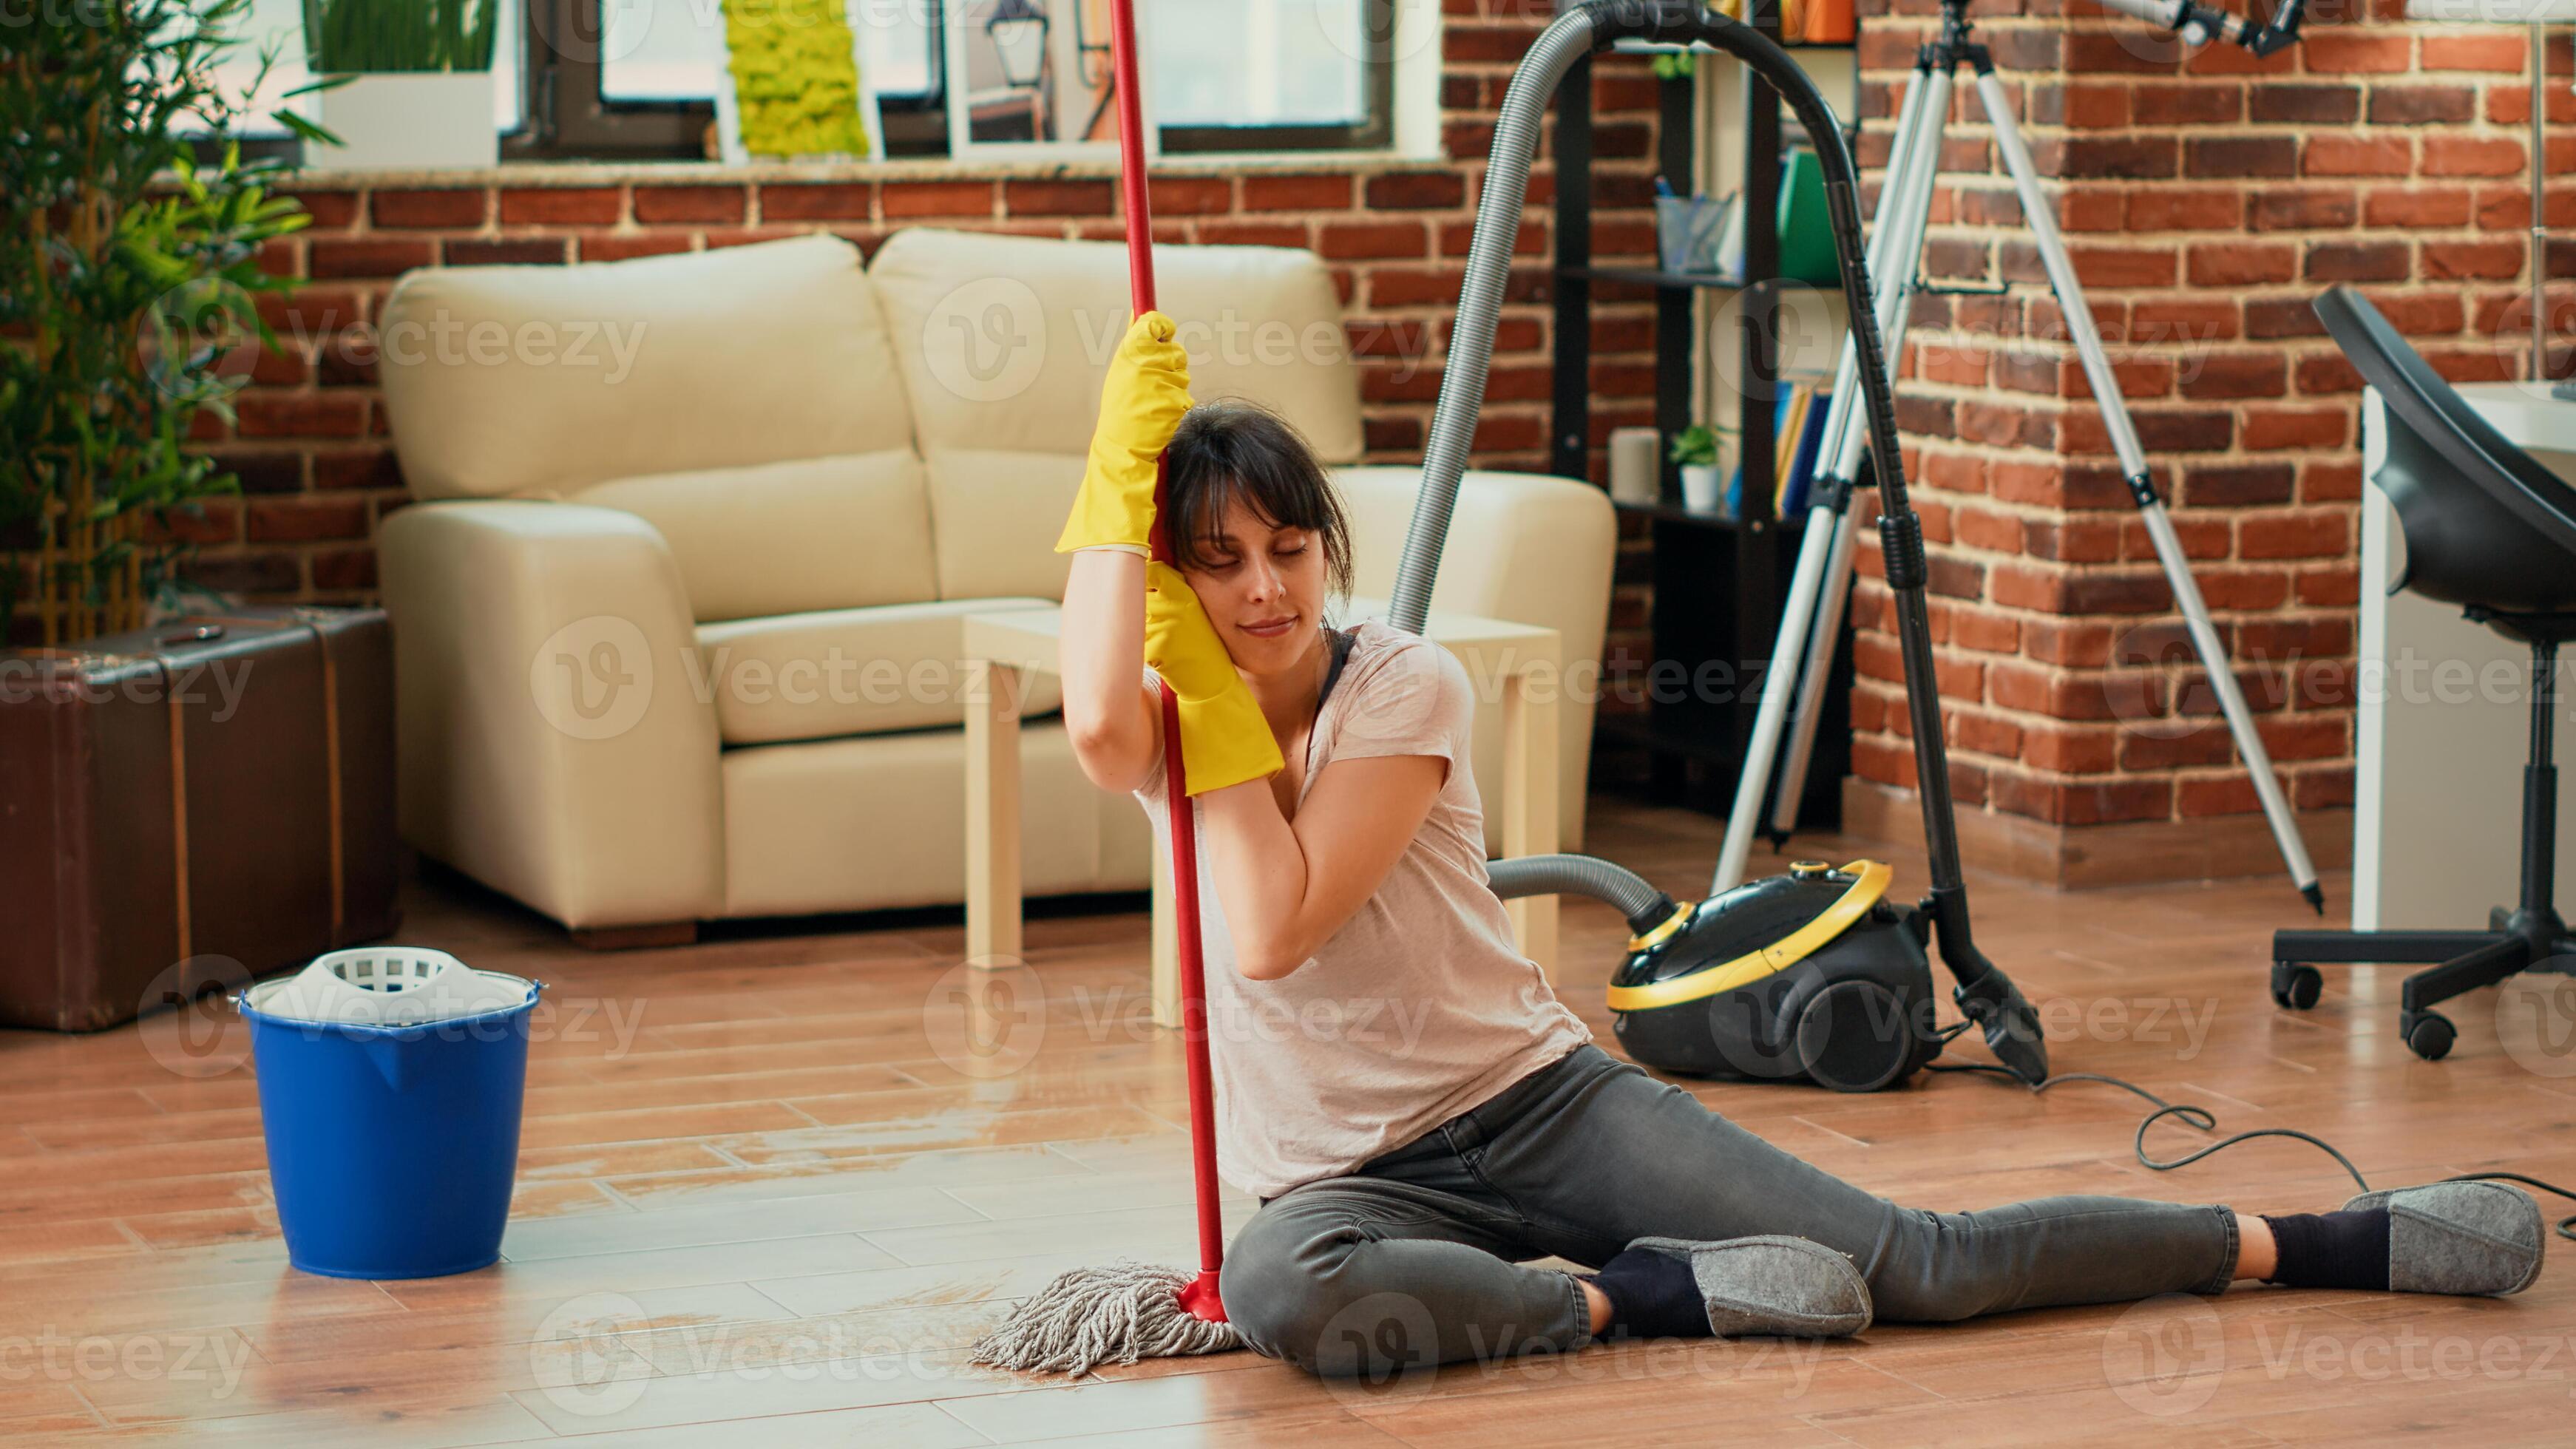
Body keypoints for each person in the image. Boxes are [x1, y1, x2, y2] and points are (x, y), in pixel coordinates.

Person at [1051, 311, 2546, 1378]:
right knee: (1275, 1288)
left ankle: (2317, 1236)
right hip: (1343, 1180)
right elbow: (1100, 725)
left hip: (1531, 1102)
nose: (1262, 589)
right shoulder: (1172, 716)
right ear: (1170, 583)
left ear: (1325, 547)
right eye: (1214, 561)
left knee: (1919, 1266)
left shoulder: (1401, 679)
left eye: (1285, 548)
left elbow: (1274, 919)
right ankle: (1623, 1299)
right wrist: (1111, 524)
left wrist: (1203, 691)